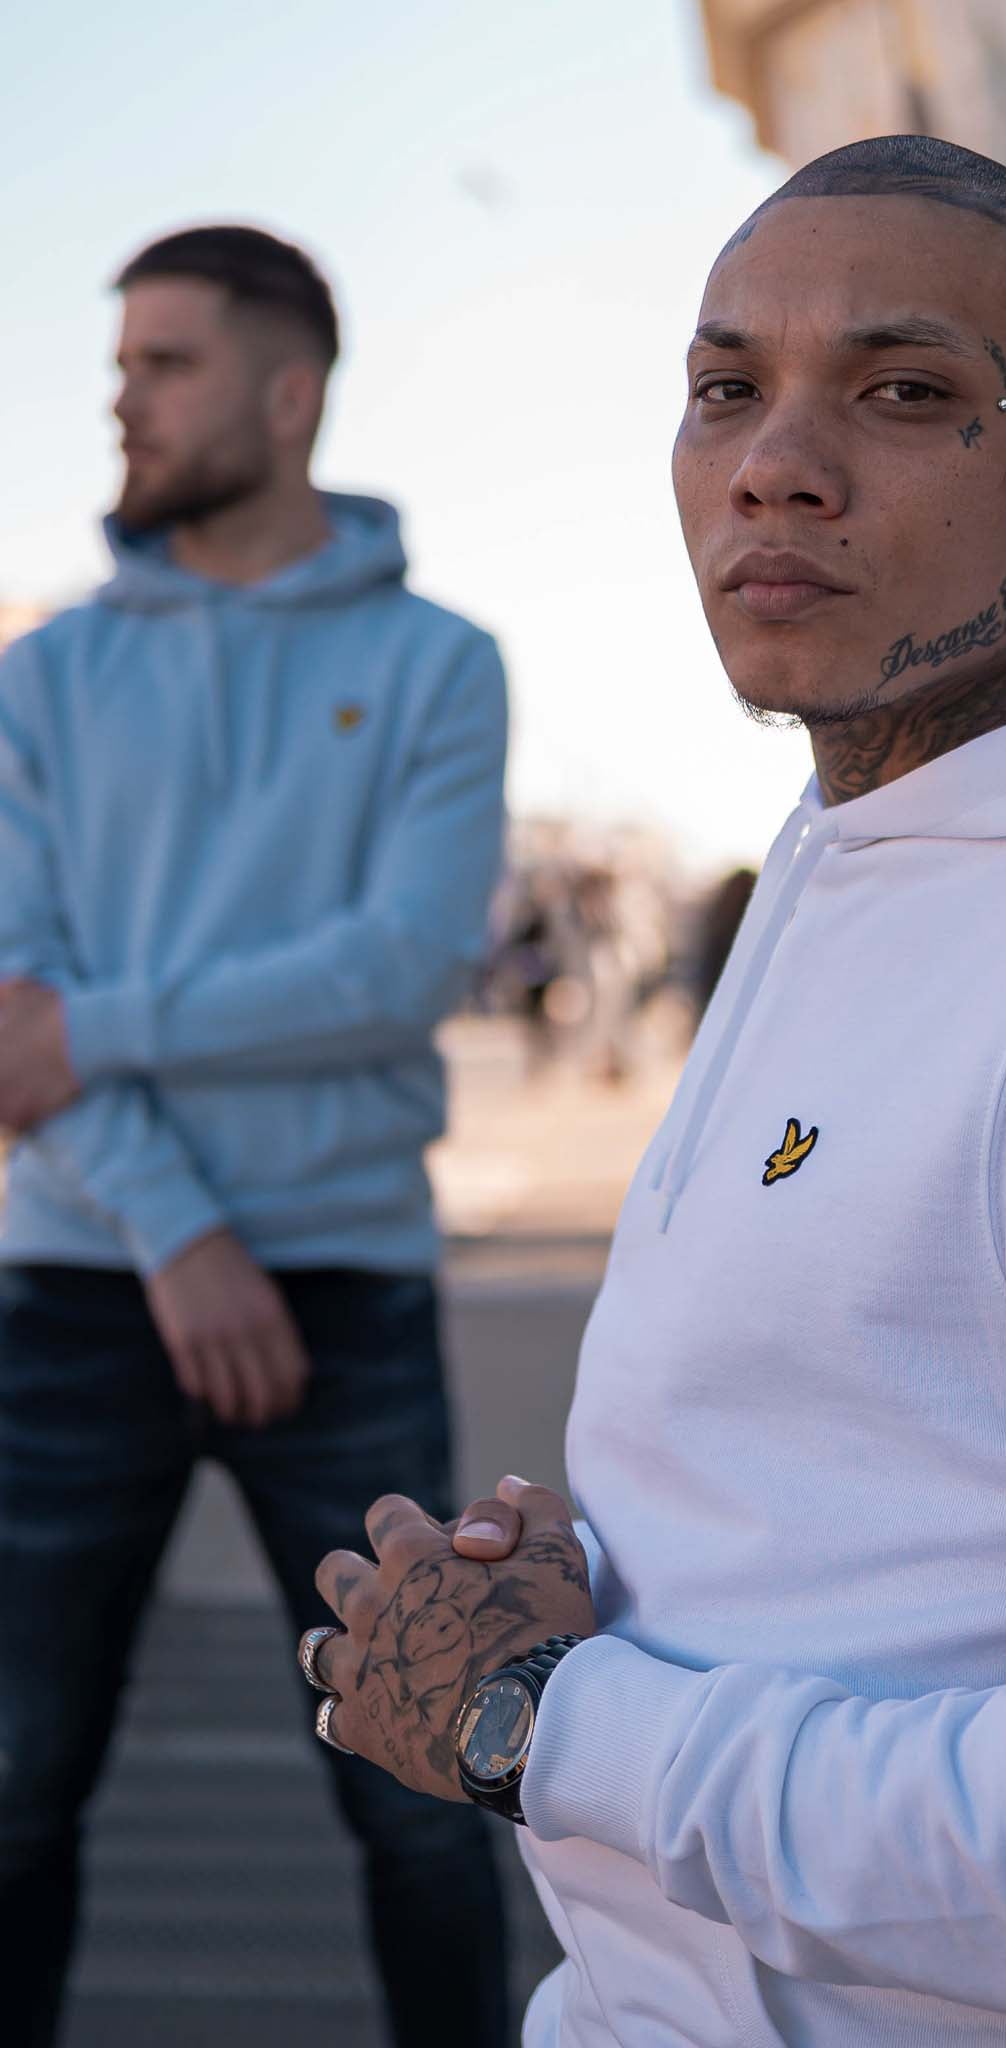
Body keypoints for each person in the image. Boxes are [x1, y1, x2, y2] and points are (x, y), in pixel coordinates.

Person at [303, 136, 1006, 2045]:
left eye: (905, 390)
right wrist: (635, 1581)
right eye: (724, 389)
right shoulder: (864, 837)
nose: (776, 462)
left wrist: (540, 1718)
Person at [0, 225, 513, 2046]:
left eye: (166, 364)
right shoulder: (46, 676)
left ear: (288, 396)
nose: (122, 400)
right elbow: (10, 1012)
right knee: (12, 1787)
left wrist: (106, 1031)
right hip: (83, 1280)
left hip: (347, 1284)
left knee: (424, 1793)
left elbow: (398, 967)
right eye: (121, 364)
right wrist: (179, 1235)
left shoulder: (439, 664)